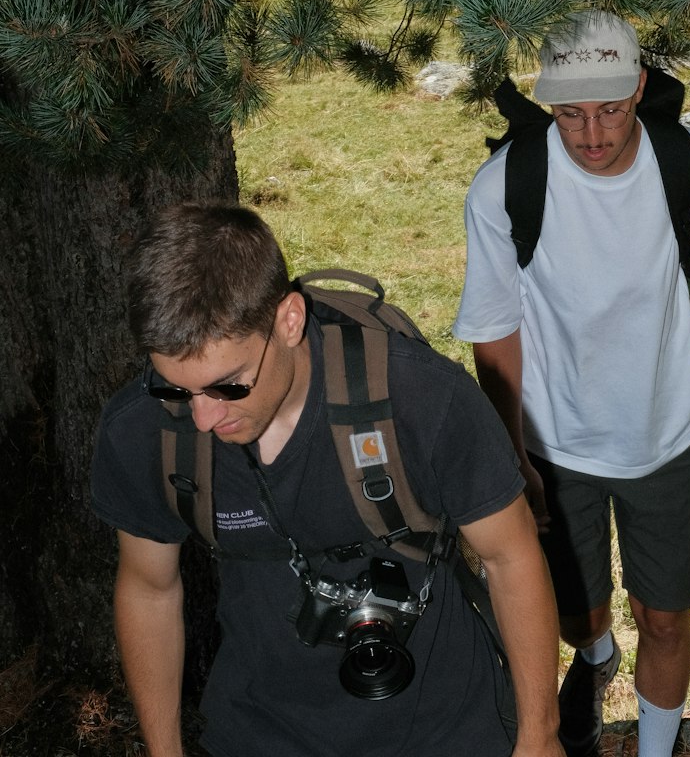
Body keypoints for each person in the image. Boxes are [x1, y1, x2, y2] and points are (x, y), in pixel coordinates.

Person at [91, 202, 565, 757]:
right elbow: (150, 589)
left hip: (447, 724)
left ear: (288, 319)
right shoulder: (145, 431)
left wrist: (540, 735)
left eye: (228, 386)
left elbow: (511, 558)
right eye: (176, 389)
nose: (203, 418)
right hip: (261, 729)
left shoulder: (424, 402)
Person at [453, 11, 690, 757]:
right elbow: (493, 324)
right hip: (553, 438)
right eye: (571, 114)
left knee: (663, 616)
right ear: (549, 106)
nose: (592, 135)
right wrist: (515, 455)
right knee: (578, 613)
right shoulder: (508, 185)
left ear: (639, 88)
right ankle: (595, 657)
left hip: (663, 436)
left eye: (610, 109)